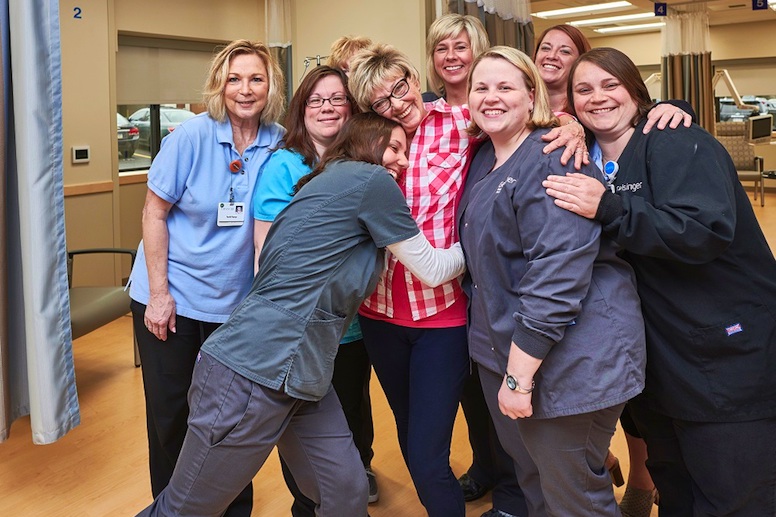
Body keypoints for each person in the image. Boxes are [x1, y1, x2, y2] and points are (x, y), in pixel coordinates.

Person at [136, 112, 467, 517]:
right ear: (366, 142)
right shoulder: (370, 179)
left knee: (345, 492)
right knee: (184, 510)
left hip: (305, 374)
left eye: (406, 151)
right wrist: (474, 241)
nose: (401, 160)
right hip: (252, 371)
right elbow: (432, 269)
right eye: (394, 148)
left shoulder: (326, 184)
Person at [543, 46, 776, 516]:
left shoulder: (675, 140)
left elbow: (704, 230)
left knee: (735, 488)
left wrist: (609, 208)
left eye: (611, 85)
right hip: (661, 357)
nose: (599, 98)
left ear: (636, 92)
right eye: (584, 89)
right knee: (676, 483)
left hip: (724, 352)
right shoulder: (583, 156)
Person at [458, 45, 646, 517]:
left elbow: (558, 275)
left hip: (569, 361)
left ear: (531, 97)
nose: (491, 97)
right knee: (536, 487)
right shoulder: (484, 157)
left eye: (506, 87)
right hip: (504, 353)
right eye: (482, 87)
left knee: (576, 501)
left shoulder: (554, 156)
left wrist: (519, 379)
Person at [127, 39, 286, 517]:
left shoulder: (279, 141)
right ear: (220, 84)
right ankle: (173, 508)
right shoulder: (190, 137)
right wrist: (159, 295)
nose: (245, 89)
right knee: (172, 417)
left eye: (256, 78)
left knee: (232, 422)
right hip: (169, 300)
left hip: (233, 309)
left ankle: (231, 509)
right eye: (234, 78)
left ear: (270, 85)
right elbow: (153, 214)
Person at [348, 43, 481, 517]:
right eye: (379, 102)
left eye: (399, 89)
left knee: (426, 457)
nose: (396, 104)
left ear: (411, 75)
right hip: (380, 313)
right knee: (409, 437)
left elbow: (527, 122)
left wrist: (567, 123)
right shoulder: (368, 143)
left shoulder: (464, 122)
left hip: (442, 316)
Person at [251, 65, 379, 512]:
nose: (326, 108)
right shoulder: (284, 166)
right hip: (300, 329)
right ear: (301, 112)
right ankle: (307, 505)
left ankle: (353, 488)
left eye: (336, 98)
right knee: (304, 430)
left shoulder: (368, 162)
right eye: (315, 100)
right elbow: (267, 255)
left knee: (354, 416)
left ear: (353, 107)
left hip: (351, 326)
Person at [421, 13, 525, 517]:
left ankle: (514, 485)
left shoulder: (496, 111)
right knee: (470, 387)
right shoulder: (419, 112)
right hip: (444, 277)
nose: (452, 58)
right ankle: (487, 466)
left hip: (496, 271)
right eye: (442, 49)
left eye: (461, 47)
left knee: (503, 388)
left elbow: (550, 117)